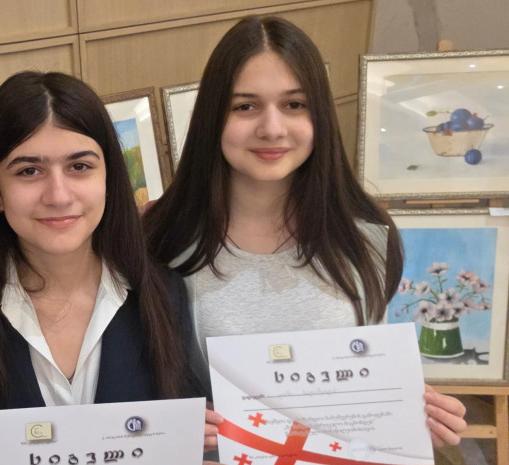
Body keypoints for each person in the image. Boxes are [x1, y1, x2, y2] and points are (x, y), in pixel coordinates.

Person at [142, 15, 467, 455]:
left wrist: (413, 415)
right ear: (212, 117)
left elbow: (366, 376)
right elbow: (142, 390)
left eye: (294, 104)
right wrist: (169, 428)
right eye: (245, 107)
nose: (272, 128)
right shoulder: (163, 242)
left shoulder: (366, 239)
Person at [0, 71, 205, 411]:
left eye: (80, 166)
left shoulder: (164, 296)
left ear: (109, 176)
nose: (58, 196)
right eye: (29, 171)